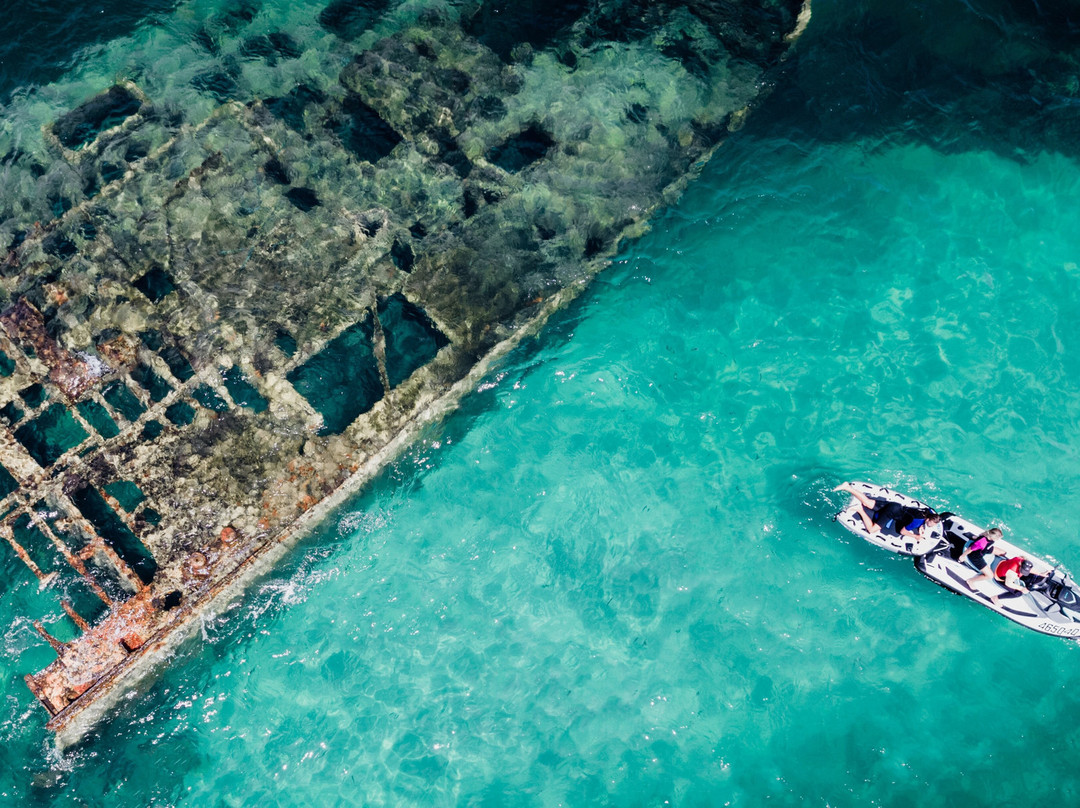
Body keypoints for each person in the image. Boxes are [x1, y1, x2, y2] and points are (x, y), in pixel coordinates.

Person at [833, 482, 941, 538]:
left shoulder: (928, 512)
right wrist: (916, 536)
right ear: (929, 520)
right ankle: (859, 509)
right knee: (871, 530)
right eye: (933, 524)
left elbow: (920, 516)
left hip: (895, 506)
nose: (933, 526)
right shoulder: (917, 522)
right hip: (891, 513)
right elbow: (903, 531)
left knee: (868, 502)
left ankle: (847, 487)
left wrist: (922, 526)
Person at [967, 554, 1035, 606]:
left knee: (1026, 577)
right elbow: (1008, 584)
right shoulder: (1012, 573)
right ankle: (995, 598)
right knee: (1018, 593)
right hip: (999, 576)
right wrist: (1022, 588)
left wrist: (1042, 574)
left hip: (1000, 563)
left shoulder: (1019, 559)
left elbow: (1030, 569)